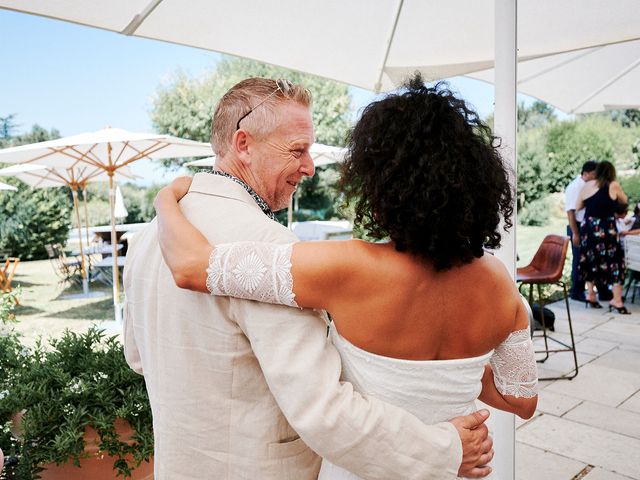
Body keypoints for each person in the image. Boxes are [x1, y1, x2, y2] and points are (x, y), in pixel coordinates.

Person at [154, 77, 538, 479]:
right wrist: (455, 373)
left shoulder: (345, 269)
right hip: (459, 464)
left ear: (380, 180)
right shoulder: (499, 283)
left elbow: (191, 266)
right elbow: (521, 399)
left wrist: (165, 201)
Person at [577, 160, 630, 314]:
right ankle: (617, 300)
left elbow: (578, 206)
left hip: (588, 228)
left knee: (590, 259)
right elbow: (624, 200)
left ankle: (591, 295)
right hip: (606, 228)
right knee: (615, 262)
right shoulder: (612, 184)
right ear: (611, 172)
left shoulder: (587, 185)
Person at [564, 161, 598, 301]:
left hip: (583, 226)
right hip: (576, 226)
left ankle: (581, 290)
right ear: (587, 173)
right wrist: (576, 233)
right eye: (595, 174)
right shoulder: (576, 187)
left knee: (585, 259)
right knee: (578, 260)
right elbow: (570, 212)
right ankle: (576, 292)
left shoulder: (584, 185)